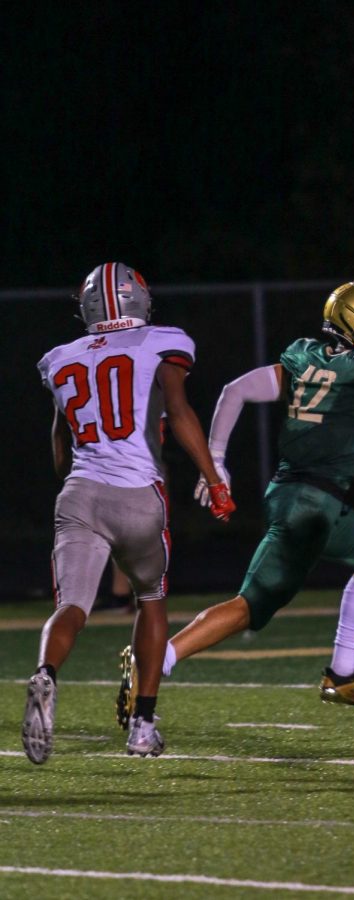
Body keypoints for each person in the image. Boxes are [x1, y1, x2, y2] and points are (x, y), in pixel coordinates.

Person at [118, 279, 354, 718]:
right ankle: (157, 660)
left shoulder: (307, 357)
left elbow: (235, 391)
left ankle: (341, 674)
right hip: (313, 505)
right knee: (250, 605)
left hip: (289, 492)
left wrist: (218, 460)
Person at [22, 262, 235, 764]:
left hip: (79, 493)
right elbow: (179, 411)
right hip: (139, 492)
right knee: (151, 600)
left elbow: (59, 448)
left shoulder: (59, 358)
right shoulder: (163, 340)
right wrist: (213, 477)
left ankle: (45, 674)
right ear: (139, 298)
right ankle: (142, 725)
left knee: (71, 606)